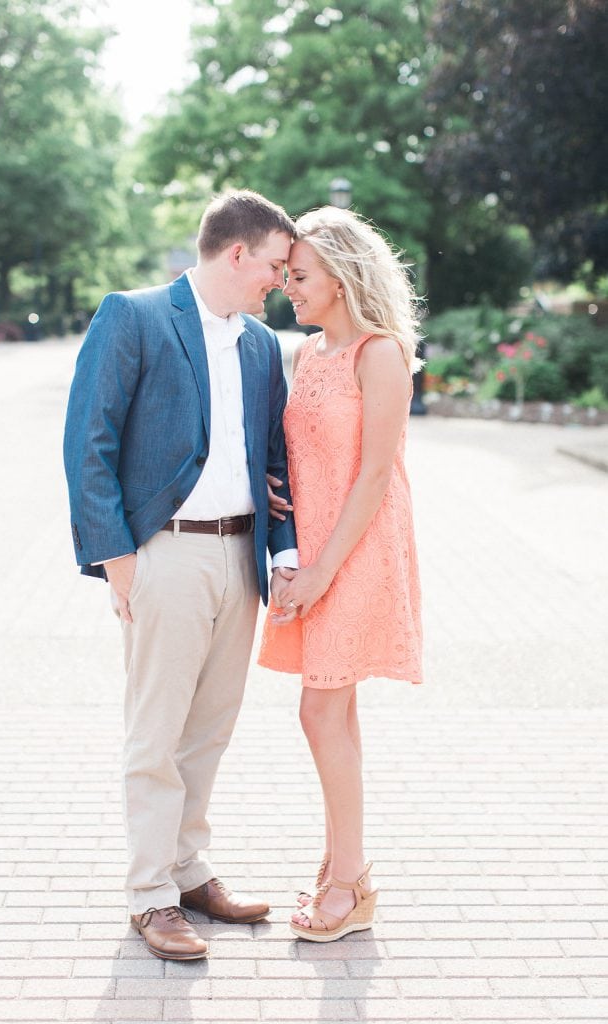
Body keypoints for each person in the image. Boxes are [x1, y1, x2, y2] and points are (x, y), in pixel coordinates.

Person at [63, 190, 298, 961]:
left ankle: (189, 869)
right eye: (271, 265)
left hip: (240, 557)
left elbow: (274, 463)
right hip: (164, 553)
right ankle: (150, 895)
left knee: (208, 731)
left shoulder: (262, 345)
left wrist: (282, 552)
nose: (277, 280)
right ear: (236, 253)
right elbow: (88, 441)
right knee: (156, 732)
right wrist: (120, 559)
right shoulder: (132, 316)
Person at [259, 206, 423, 943]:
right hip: (313, 553)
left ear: (341, 276)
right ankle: (339, 868)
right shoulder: (304, 356)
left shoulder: (378, 354)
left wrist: (323, 571)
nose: (285, 287)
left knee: (318, 711)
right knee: (334, 711)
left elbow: (375, 475)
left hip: (355, 554)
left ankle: (351, 882)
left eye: (298, 276)